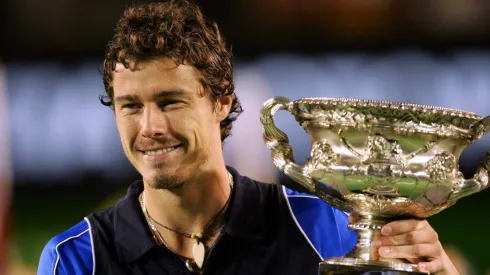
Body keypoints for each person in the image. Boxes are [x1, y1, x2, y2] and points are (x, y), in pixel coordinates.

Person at [37, 1, 460, 274]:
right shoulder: (78, 259)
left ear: (222, 100)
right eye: (130, 106)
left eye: (170, 102)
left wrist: (440, 272)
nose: (150, 127)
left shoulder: (325, 228)